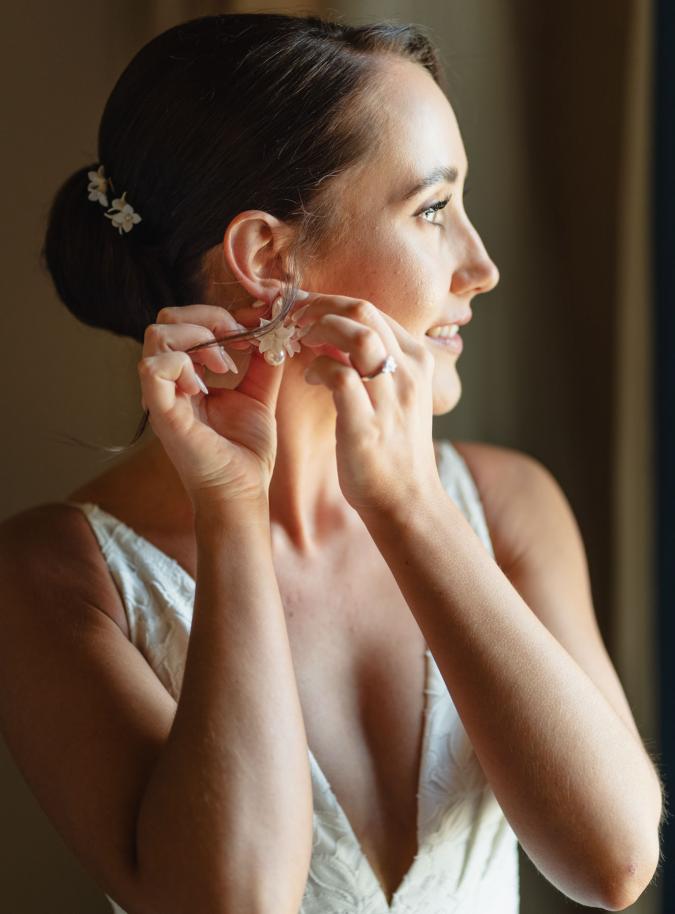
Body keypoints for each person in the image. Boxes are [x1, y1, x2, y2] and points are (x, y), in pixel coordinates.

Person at [0, 12, 664, 914]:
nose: (481, 266)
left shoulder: (509, 506)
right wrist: (230, 509)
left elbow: (615, 863)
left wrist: (407, 505)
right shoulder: (52, 579)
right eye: (432, 209)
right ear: (267, 256)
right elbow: (230, 900)